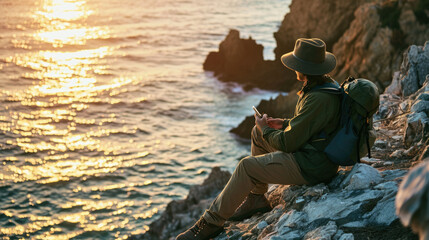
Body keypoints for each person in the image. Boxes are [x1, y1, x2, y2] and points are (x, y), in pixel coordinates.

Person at [176, 38, 341, 240]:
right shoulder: (326, 86)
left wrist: (267, 129)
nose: (293, 68)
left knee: (247, 166)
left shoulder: (317, 98)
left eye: (295, 64)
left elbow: (289, 143)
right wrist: (283, 123)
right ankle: (256, 198)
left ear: (302, 68)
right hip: (316, 154)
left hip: (312, 165)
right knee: (256, 133)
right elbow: (313, 125)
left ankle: (209, 224)